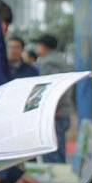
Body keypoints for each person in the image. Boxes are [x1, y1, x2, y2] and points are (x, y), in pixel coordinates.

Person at [34, 34, 72, 163]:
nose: (37, 47)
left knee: (52, 153)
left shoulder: (48, 62)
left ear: (44, 46)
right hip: (63, 110)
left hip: (55, 113)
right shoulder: (62, 60)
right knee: (59, 150)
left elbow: (52, 88)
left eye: (38, 45)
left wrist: (52, 109)